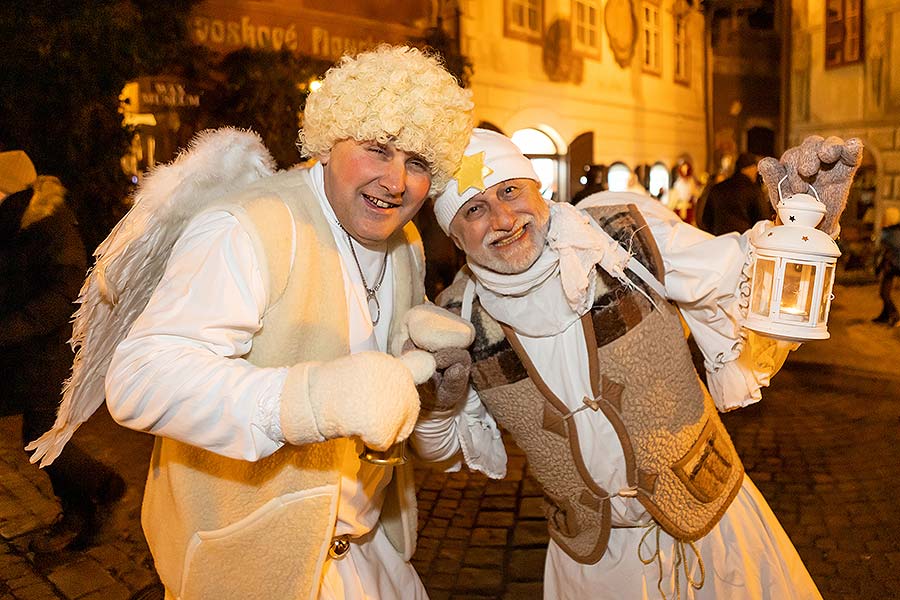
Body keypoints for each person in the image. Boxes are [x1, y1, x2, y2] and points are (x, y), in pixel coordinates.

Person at [28, 45, 475, 599]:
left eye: (418, 163)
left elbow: (369, 364)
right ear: (327, 141)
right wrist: (311, 399)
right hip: (258, 566)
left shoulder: (404, 240)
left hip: (374, 556)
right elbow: (142, 378)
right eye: (378, 149)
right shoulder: (248, 224)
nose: (396, 181)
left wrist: (429, 381)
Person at [413, 129, 861, 599]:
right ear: (455, 235)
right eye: (474, 209)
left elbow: (745, 286)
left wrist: (803, 232)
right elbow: (444, 453)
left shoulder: (623, 235)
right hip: (591, 568)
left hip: (712, 528)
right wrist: (439, 408)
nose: (503, 218)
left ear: (536, 188)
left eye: (509, 190)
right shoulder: (458, 320)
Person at [0, 149, 125, 553]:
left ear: (11, 189)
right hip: (28, 351)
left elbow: (62, 293)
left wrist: (12, 327)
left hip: (53, 350)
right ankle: (76, 511)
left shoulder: (51, 228)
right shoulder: (16, 224)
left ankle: (105, 488)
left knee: (41, 437)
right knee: (41, 439)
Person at [701, 152, 771, 235]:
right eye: (755, 168)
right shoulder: (753, 190)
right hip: (743, 241)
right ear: (749, 168)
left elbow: (706, 220)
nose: (756, 172)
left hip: (719, 239)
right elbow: (762, 218)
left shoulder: (718, 188)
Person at [873, 207, 900, 326]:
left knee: (884, 292)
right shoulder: (894, 231)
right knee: (884, 292)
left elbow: (888, 250)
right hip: (891, 265)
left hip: (891, 266)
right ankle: (885, 315)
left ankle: (894, 315)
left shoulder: (891, 233)